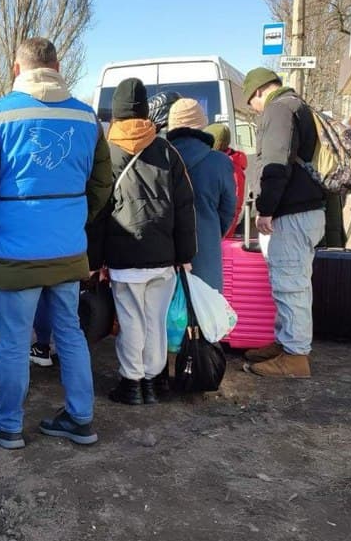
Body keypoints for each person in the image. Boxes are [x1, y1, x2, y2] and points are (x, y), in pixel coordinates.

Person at [0, 37, 112, 449]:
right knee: (70, 333)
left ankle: (8, 425)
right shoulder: (87, 118)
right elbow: (102, 184)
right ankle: (80, 418)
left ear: (16, 69)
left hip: (16, 252)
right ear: (57, 67)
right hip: (67, 249)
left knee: (13, 341)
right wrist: (73, 219)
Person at [95, 77, 197, 405]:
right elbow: (185, 207)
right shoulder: (167, 152)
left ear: (116, 111)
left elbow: (97, 213)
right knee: (156, 320)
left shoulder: (106, 153)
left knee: (131, 321)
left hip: (123, 258)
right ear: (144, 110)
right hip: (163, 259)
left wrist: (95, 261)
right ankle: (153, 382)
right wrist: (185, 254)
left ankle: (132, 383)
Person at [241, 67, 326, 378]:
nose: (254, 109)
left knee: (290, 285)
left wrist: (265, 208)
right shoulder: (298, 105)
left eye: (251, 103)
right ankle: (286, 343)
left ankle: (295, 356)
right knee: (293, 281)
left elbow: (274, 164)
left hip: (292, 212)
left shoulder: (278, 109)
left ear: (258, 91)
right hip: (306, 211)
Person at [166, 99, 236, 292]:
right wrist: (213, 231)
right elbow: (228, 209)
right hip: (206, 253)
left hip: (165, 256)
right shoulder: (220, 162)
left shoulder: (160, 158)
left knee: (167, 309)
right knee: (207, 308)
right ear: (202, 125)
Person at [205, 122, 247, 238]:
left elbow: (233, 206)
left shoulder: (232, 167)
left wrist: (223, 233)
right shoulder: (213, 161)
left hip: (219, 232)